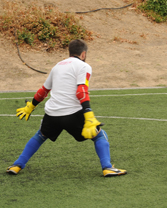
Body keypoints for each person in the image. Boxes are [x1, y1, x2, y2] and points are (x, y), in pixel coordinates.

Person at [6, 39, 127, 177]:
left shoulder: (57, 66)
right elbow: (81, 90)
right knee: (99, 135)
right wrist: (88, 114)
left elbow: (43, 90)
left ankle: (17, 165)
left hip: (52, 113)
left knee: (40, 135)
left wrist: (31, 106)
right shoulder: (84, 66)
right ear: (83, 54)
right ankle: (107, 167)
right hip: (73, 113)